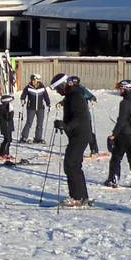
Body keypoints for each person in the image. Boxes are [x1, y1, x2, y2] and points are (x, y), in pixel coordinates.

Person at [50, 73, 92, 207]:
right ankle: (82, 197)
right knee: (73, 165)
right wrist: (64, 124)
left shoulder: (75, 96)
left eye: (58, 88)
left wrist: (65, 125)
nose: (58, 92)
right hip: (78, 134)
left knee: (71, 164)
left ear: (64, 85)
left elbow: (79, 117)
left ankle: (77, 197)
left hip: (80, 134)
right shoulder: (72, 95)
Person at [104, 79, 131, 190]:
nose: (120, 91)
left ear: (126, 89)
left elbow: (121, 121)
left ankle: (113, 179)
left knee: (116, 157)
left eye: (121, 89)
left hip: (124, 135)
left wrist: (114, 134)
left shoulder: (125, 102)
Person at [20, 74, 50, 143]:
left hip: (40, 108)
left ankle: (38, 138)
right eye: (32, 80)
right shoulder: (28, 87)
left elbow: (46, 96)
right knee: (29, 122)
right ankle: (24, 137)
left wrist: (48, 104)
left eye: (34, 80)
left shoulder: (42, 87)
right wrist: (23, 99)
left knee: (40, 123)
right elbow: (23, 95)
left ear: (38, 80)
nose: (33, 81)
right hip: (31, 108)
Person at [0, 94, 15, 162]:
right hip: (5, 127)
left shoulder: (6, 107)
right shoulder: (2, 108)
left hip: (9, 126)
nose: (11, 103)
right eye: (10, 101)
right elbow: (8, 118)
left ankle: (6, 153)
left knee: (9, 140)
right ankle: (3, 153)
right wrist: (11, 111)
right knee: (7, 140)